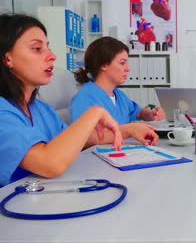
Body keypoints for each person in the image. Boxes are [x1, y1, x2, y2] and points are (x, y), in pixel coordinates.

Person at [0, 14, 124, 186]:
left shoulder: (41, 109)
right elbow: (49, 164)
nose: (52, 56)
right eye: (37, 48)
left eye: (48, 47)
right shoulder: (3, 113)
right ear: (7, 59)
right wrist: (94, 113)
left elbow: (75, 140)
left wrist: (130, 131)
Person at [71, 36, 165, 125]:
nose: (128, 69)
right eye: (122, 63)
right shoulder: (84, 99)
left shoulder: (119, 95)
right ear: (103, 65)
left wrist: (151, 114)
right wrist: (128, 130)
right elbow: (86, 137)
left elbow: (138, 113)